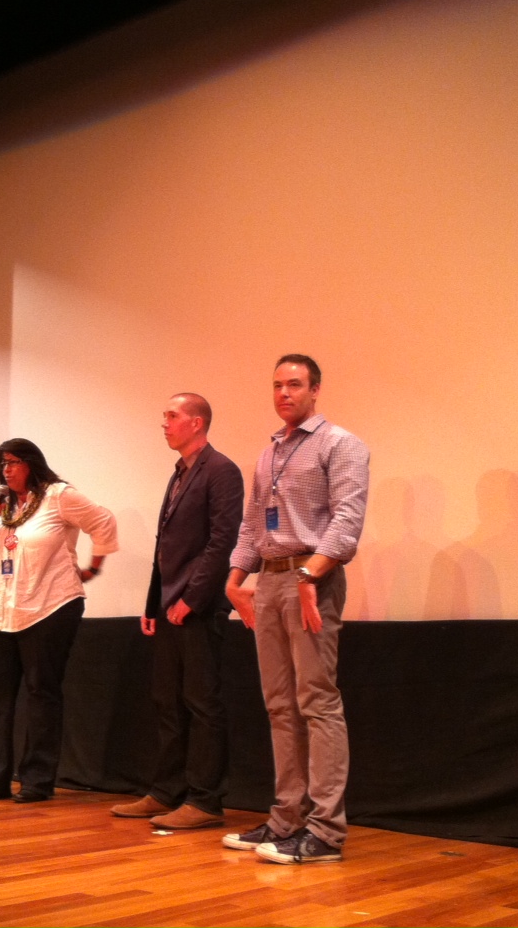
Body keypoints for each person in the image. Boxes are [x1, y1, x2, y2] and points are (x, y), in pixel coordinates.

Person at [223, 354, 370, 863]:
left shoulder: (341, 444)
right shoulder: (268, 454)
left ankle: (326, 832)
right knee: (279, 705)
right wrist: (234, 580)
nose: (284, 393)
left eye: (294, 385)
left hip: (313, 581)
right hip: (269, 584)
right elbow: (251, 527)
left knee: (317, 703)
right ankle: (286, 819)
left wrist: (311, 575)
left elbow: (348, 521)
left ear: (316, 390)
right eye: (277, 386)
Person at [110, 394, 244, 829]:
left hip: (199, 608)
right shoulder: (179, 474)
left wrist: (194, 598)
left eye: (171, 415)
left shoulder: (222, 471)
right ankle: (167, 791)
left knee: (202, 703)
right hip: (170, 606)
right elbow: (165, 546)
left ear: (197, 423)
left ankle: (205, 801)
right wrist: (153, 602)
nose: (163, 423)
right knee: (167, 700)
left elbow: (221, 543)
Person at [0, 438, 118, 803]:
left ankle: (36, 780)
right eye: (2, 463)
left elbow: (104, 520)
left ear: (31, 464)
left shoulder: (58, 496)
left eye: (14, 462)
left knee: (41, 693)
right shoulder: (1, 507)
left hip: (49, 607)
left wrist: (93, 568)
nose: (6, 470)